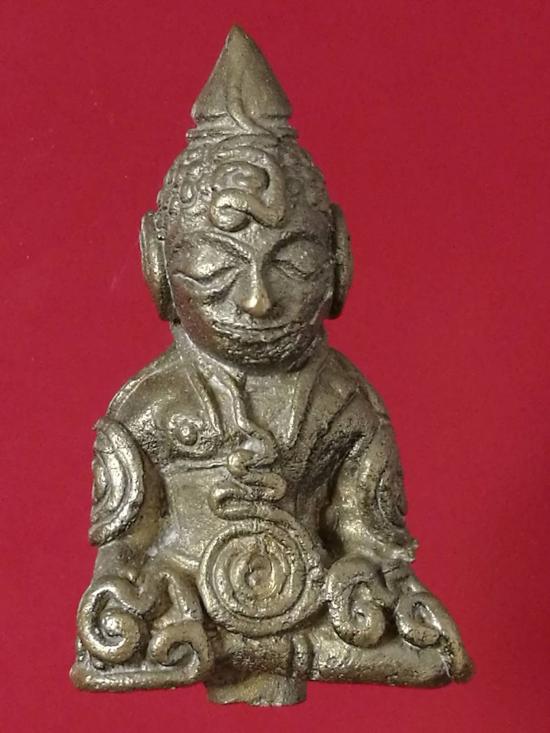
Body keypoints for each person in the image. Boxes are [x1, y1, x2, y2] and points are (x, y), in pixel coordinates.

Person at [71, 26, 472, 706]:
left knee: (431, 649)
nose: (257, 299)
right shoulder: (150, 407)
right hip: (187, 612)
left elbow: (375, 548)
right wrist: (134, 599)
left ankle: (267, 652)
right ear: (159, 263)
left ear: (337, 259)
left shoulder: (345, 403)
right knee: (111, 648)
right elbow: (123, 557)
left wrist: (359, 584)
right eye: (217, 264)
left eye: (293, 262)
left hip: (315, 613)